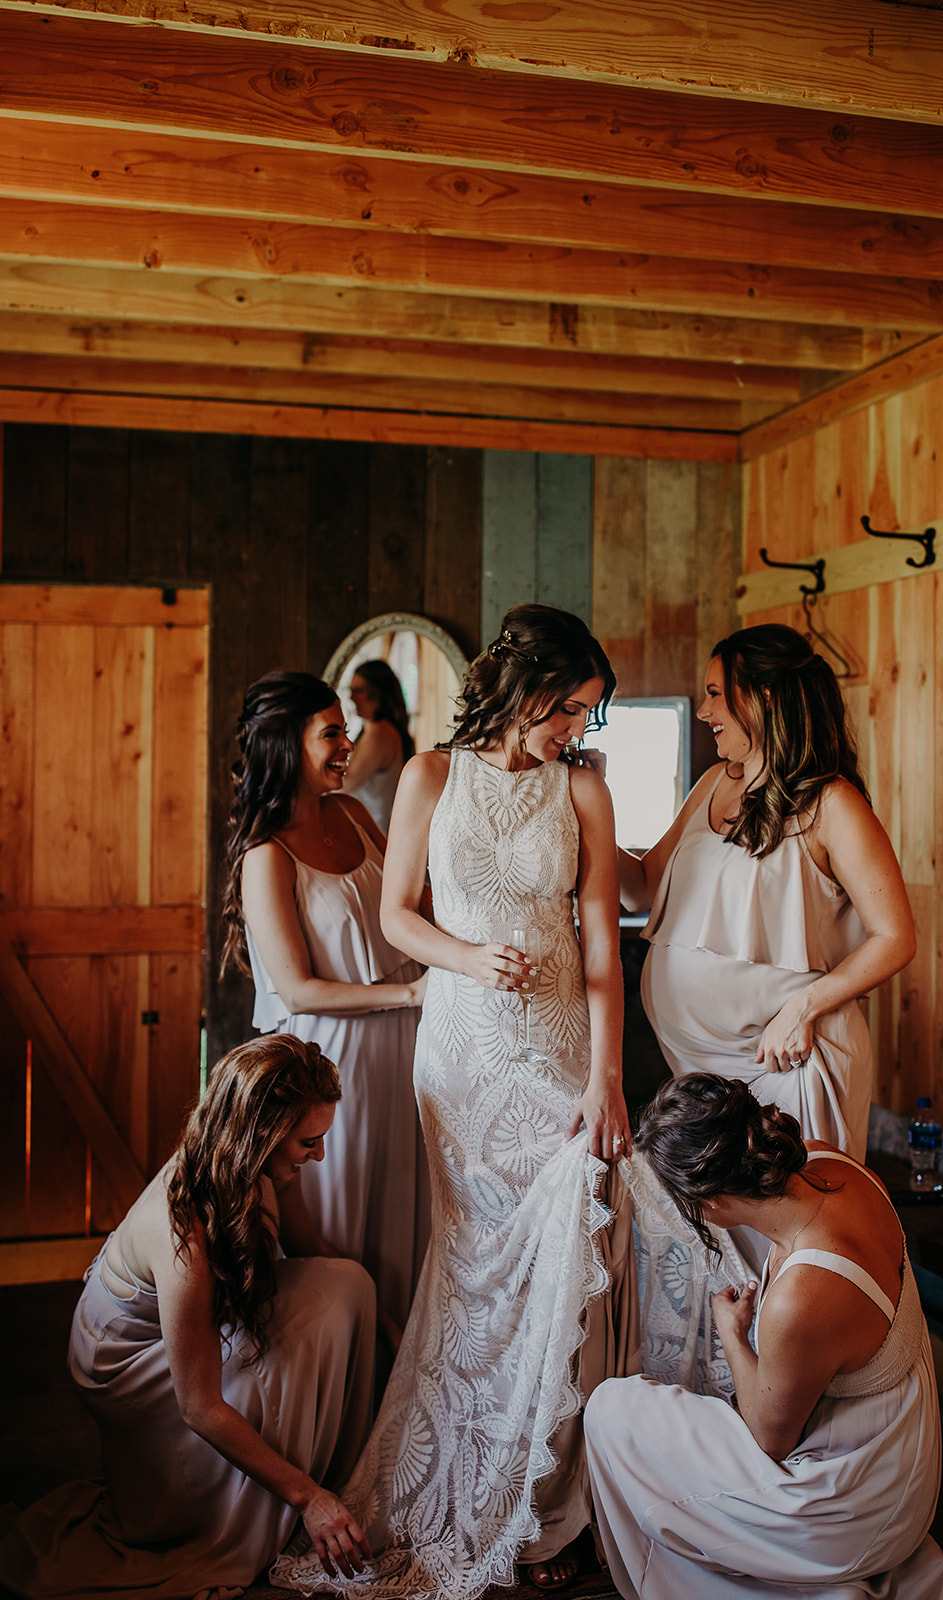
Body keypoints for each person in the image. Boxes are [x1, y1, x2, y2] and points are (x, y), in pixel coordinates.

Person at [273, 603, 643, 1599]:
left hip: (561, 1046)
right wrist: (471, 957)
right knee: (476, 1274)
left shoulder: (584, 794)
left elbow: (602, 943)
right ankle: (467, 1477)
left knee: (563, 1263)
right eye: (570, 709)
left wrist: (606, 1076)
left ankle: (548, 1503)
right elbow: (398, 915)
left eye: (586, 716)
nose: (576, 731)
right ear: (526, 688)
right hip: (463, 1058)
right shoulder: (431, 776)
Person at [0, 1035, 378, 1599]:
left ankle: (337, 1474)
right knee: (273, 1370)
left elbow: (309, 1254)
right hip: (124, 1358)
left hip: (188, 1324)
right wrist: (307, 1497)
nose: (318, 1155)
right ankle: (276, 1504)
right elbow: (198, 1406)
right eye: (309, 1141)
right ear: (261, 1136)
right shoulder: (183, 1229)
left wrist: (394, 1324)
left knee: (350, 1285)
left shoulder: (264, 1167)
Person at [585, 1073, 943, 1600]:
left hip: (852, 1510)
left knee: (610, 1410)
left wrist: (732, 1334)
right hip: (902, 1457)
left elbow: (769, 1438)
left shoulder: (803, 1296)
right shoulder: (831, 1163)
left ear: (710, 1203)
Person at [620, 623, 915, 1160]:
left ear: (764, 696)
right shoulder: (712, 783)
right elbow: (640, 890)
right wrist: (585, 818)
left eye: (714, 694)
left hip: (786, 1060)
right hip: (699, 1070)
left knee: (791, 1228)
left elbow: (894, 936)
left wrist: (802, 1008)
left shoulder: (832, 802)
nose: (706, 711)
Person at [221, 670, 428, 1330]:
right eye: (331, 732)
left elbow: (416, 903)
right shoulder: (268, 855)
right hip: (330, 1061)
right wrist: (409, 991)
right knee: (342, 1211)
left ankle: (407, 1367)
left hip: (406, 1043)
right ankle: (355, 1357)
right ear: (286, 743)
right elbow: (297, 988)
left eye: (346, 729)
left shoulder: (354, 814)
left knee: (409, 1206)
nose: (349, 744)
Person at [341, 659, 415, 832]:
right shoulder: (369, 732)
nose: (352, 697)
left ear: (378, 692)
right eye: (351, 691)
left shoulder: (380, 734)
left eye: (359, 691)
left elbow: (346, 783)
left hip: (374, 831)